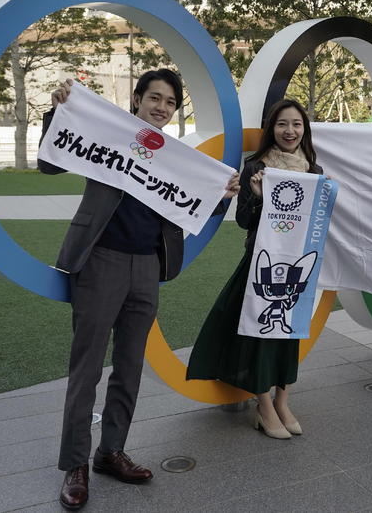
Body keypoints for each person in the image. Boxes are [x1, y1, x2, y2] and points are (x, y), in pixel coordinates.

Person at [40, 69, 239, 511]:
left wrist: (220, 194)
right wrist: (59, 111)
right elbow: (50, 160)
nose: (162, 107)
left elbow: (192, 209)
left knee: (129, 367)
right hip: (100, 259)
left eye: (170, 101)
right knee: (87, 367)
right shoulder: (109, 134)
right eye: (155, 98)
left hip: (148, 266)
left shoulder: (177, 157)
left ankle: (111, 451)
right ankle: (75, 464)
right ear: (137, 99)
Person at [187, 99, 322, 440]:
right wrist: (258, 195)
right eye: (282, 124)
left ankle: (283, 399)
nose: (289, 131)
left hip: (296, 267)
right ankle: (263, 404)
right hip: (262, 262)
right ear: (270, 129)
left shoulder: (313, 170)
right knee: (260, 332)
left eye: (296, 124)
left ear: (304, 129)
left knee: (289, 332)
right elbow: (243, 221)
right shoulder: (256, 167)